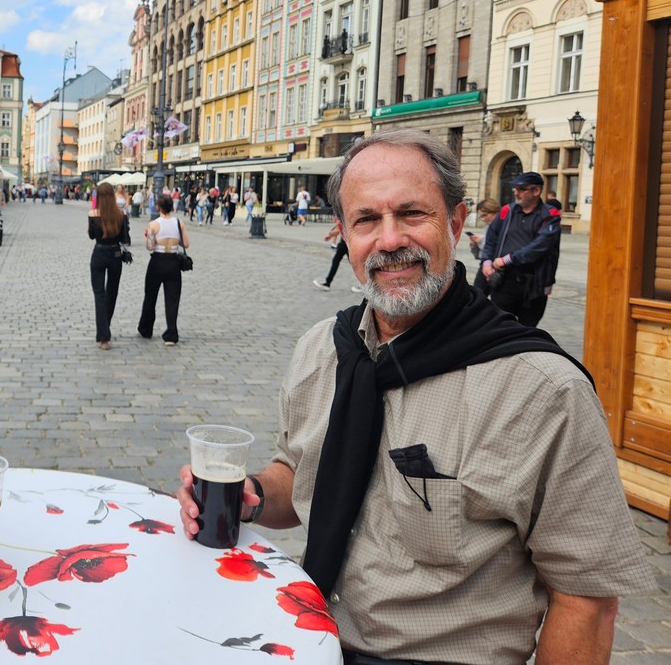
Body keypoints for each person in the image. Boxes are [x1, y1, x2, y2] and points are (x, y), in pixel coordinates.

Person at [176, 130, 654, 663]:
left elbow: (586, 601)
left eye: (411, 214)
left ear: (455, 222)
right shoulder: (322, 350)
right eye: (366, 220)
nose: (389, 240)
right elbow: (299, 470)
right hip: (306, 637)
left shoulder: (542, 390)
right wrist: (250, 493)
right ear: (343, 236)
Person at [480, 172, 561, 327]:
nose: (516, 193)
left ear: (536, 191)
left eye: (522, 189)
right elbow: (491, 238)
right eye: (515, 189)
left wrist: (507, 259)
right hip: (504, 280)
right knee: (500, 325)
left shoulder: (550, 215)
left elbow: (540, 246)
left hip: (534, 283)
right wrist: (487, 261)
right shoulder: (507, 211)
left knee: (527, 328)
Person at [138, 195, 187, 346]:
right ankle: (171, 333)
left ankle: (146, 328)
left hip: (157, 261)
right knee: (172, 299)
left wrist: (149, 236)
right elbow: (186, 243)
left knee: (150, 296)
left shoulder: (153, 224)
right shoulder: (179, 223)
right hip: (173, 261)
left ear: (158, 207)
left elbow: (150, 246)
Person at [87, 182, 131, 350]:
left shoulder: (93, 213)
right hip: (115, 255)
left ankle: (103, 336)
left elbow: (92, 236)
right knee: (111, 293)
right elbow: (125, 239)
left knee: (99, 295)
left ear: (98, 196)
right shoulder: (121, 214)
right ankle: (105, 329)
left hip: (99, 253)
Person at [467, 197, 502, 294]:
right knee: (476, 294)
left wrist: (481, 241)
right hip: (485, 265)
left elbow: (495, 247)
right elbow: (481, 254)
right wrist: (475, 244)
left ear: (495, 211)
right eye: (481, 217)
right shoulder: (488, 227)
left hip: (498, 267)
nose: (484, 219)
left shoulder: (504, 226)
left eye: (485, 215)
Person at [311, 222, 353, 291]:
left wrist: (335, 232)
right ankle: (327, 282)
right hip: (345, 240)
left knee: (351, 263)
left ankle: (327, 282)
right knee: (339, 260)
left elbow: (345, 225)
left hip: (347, 240)